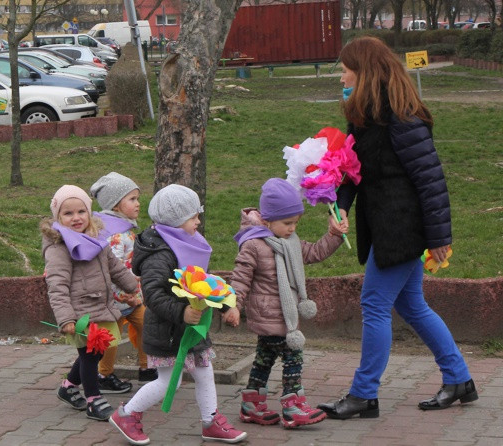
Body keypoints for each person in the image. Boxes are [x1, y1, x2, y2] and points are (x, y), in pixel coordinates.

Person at [318, 36, 476, 419]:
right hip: (384, 225)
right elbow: (352, 170)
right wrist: (340, 207)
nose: (341, 75)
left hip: (403, 229)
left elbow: (430, 181)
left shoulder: (403, 118)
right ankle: (459, 379)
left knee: (374, 303)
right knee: (412, 304)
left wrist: (439, 239)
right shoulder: (363, 115)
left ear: (363, 71)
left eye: (345, 69)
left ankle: (363, 393)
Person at [109, 184, 246, 445]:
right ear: (175, 221)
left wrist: (226, 305)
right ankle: (126, 414)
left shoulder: (186, 243)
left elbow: (203, 282)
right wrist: (182, 312)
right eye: (193, 216)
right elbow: (153, 295)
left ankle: (211, 421)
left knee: (204, 371)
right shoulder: (160, 253)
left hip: (191, 329)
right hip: (168, 331)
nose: (198, 221)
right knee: (167, 380)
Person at [230, 178, 347, 428]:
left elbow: (315, 252)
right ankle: (293, 406)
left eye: (295, 222)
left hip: (285, 315)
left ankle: (252, 403)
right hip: (271, 316)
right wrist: (234, 305)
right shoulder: (253, 245)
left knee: (264, 359)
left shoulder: (290, 242)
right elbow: (240, 277)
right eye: (287, 223)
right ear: (266, 220)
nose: (292, 228)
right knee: (293, 357)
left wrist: (333, 235)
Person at [42, 185, 139, 421]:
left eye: (81, 212)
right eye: (68, 214)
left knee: (96, 351)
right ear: (58, 217)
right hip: (80, 313)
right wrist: (66, 318)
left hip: (101, 306)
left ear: (89, 213)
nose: (76, 218)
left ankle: (68, 386)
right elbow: (57, 284)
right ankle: (94, 400)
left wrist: (132, 286)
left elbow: (114, 266)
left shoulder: (97, 239)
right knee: (88, 354)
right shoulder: (59, 247)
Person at [90, 172, 158, 394]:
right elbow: (113, 269)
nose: (138, 204)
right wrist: (124, 295)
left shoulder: (124, 228)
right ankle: (103, 374)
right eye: (132, 199)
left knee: (146, 325)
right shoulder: (114, 234)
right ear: (116, 205)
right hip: (116, 300)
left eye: (138, 198)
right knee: (110, 339)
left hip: (131, 297)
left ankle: (147, 369)